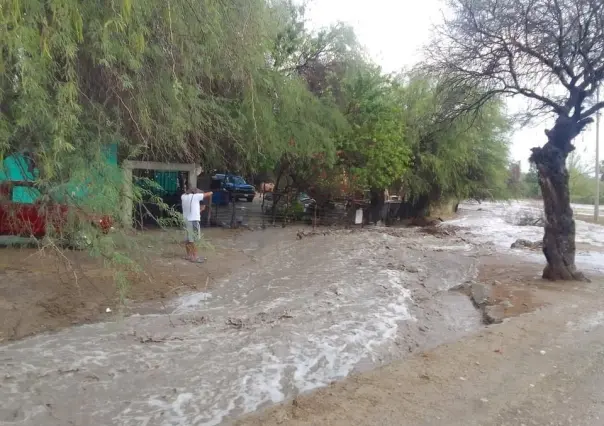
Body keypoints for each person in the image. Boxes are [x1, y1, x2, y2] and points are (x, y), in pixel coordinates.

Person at [181, 187, 213, 262]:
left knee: (188, 239)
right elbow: (209, 193)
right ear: (195, 193)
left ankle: (189, 256)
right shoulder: (195, 197)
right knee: (194, 240)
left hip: (186, 220)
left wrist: (199, 210)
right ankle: (195, 257)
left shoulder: (183, 196)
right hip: (193, 221)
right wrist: (211, 192)